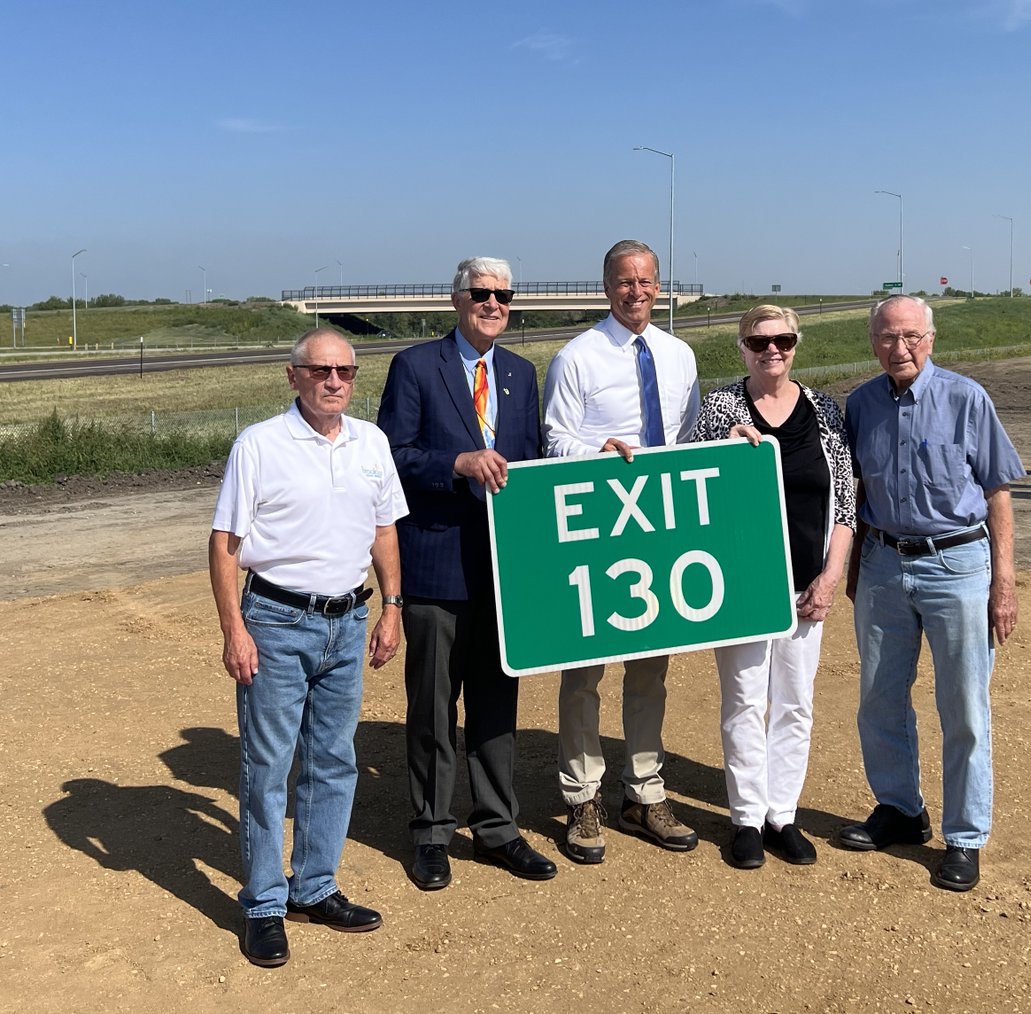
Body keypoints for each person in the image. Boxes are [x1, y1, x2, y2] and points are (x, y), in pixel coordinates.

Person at [209, 328, 407, 968]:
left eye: (346, 372)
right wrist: (234, 629)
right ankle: (265, 904)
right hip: (276, 620)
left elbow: (383, 530)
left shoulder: (371, 443)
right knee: (267, 768)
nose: (334, 382)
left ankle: (316, 886)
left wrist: (391, 607)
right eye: (321, 371)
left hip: (349, 619)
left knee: (333, 760)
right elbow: (225, 544)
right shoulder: (260, 445)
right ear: (293, 376)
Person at [376, 256, 557, 889]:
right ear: (457, 299)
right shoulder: (415, 366)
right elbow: (391, 457)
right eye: (482, 293)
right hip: (434, 565)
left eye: (505, 295)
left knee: (495, 702)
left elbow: (532, 464)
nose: (494, 304)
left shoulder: (519, 373)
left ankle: (497, 826)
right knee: (431, 706)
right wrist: (456, 462)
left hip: (502, 573)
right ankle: (430, 829)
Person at [839, 294, 1024, 892]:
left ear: (932, 338)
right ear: (874, 343)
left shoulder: (967, 399)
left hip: (959, 565)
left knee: (964, 707)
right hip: (884, 565)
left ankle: (965, 836)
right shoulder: (861, 405)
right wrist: (853, 570)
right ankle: (900, 808)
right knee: (879, 698)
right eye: (890, 338)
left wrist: (1004, 583)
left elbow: (998, 493)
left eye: (913, 336)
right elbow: (852, 489)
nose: (901, 348)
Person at [542, 239, 701, 864]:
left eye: (645, 281)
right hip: (597, 528)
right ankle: (582, 797)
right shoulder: (576, 357)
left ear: (658, 285)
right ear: (606, 286)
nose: (635, 292)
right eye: (623, 281)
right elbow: (553, 440)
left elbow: (690, 439)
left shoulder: (680, 355)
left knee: (650, 668)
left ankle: (645, 791)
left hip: (659, 528)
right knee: (583, 671)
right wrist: (597, 453)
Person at [692, 305, 855, 869]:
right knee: (743, 700)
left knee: (795, 702)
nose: (772, 351)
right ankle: (745, 819)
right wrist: (724, 446)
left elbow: (843, 505)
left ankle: (781, 813)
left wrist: (831, 576)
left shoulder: (825, 411)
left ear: (796, 344)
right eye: (759, 342)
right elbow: (694, 488)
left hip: (806, 584)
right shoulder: (718, 408)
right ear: (742, 348)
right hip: (741, 584)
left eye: (782, 340)